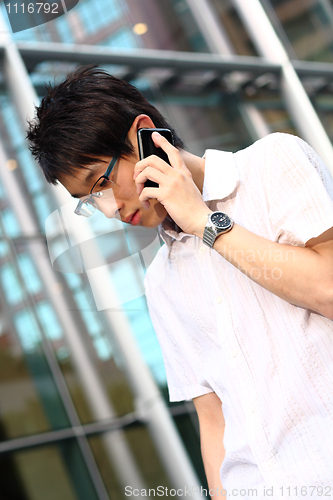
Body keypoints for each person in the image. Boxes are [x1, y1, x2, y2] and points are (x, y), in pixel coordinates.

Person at [27, 65, 333, 498]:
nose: (110, 209)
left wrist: (204, 222)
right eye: (89, 201)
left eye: (102, 182)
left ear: (146, 136)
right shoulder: (161, 283)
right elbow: (214, 421)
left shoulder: (272, 163)